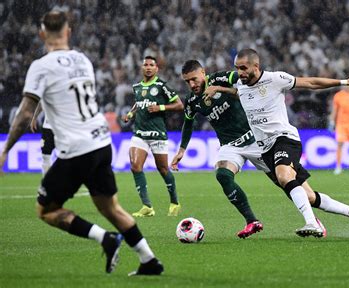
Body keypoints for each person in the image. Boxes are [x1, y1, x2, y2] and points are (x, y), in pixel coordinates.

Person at [0, 11, 163, 276]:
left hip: (76, 149)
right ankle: (149, 260)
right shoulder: (83, 60)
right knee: (110, 207)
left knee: (45, 210)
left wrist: (6, 149)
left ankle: (106, 239)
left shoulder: (41, 66)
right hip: (101, 142)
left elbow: (25, 113)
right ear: (69, 32)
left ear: (42, 34)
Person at [230, 48, 349, 238]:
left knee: (283, 175)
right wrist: (217, 88)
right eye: (237, 68)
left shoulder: (275, 79)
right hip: (266, 149)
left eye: (244, 68)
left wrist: (345, 82)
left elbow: (311, 82)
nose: (240, 72)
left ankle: (312, 223)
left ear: (256, 65)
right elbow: (238, 93)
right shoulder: (241, 85)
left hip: (285, 139)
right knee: (310, 197)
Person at [171, 60, 272, 239]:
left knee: (283, 180)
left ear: (203, 72)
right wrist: (182, 150)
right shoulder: (192, 101)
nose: (192, 84)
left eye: (194, 79)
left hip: (254, 138)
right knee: (223, 175)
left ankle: (310, 212)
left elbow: (245, 79)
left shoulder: (221, 78)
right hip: (230, 145)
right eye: (187, 81)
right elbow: (188, 124)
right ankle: (251, 221)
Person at [122, 56, 183, 217]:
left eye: (151, 65)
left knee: (162, 169)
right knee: (135, 166)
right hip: (140, 133)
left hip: (157, 133)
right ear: (142, 68)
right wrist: (130, 113)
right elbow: (138, 102)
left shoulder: (161, 86)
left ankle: (174, 202)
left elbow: (179, 105)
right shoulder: (137, 86)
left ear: (156, 69)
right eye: (145, 65)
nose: (148, 67)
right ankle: (147, 206)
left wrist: (161, 107)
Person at [30, 103, 55, 176]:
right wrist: (34, 117)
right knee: (45, 156)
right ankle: (47, 182)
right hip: (48, 127)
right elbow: (41, 102)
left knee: (67, 156)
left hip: (64, 127)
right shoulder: (46, 91)